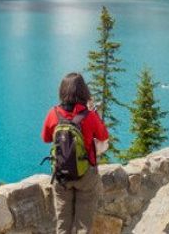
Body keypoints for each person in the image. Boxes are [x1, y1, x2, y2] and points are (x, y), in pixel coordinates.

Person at [42, 73, 110, 234]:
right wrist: (93, 112)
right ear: (84, 92)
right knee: (83, 225)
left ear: (62, 91)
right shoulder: (90, 116)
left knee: (63, 222)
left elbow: (45, 138)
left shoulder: (53, 113)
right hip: (86, 174)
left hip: (61, 175)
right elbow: (104, 136)